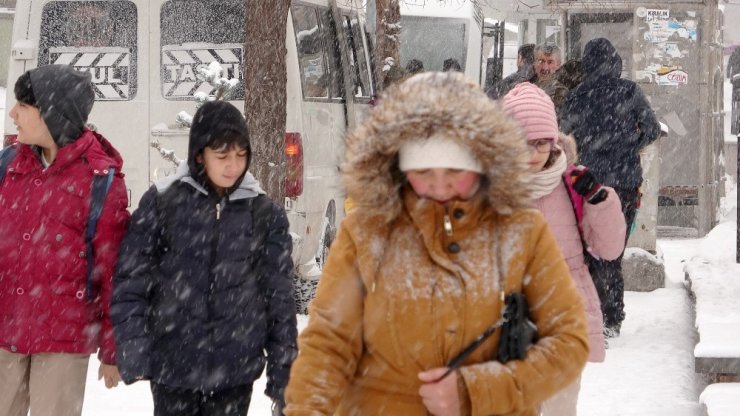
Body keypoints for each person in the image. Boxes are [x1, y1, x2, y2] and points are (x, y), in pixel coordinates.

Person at [284, 71, 589, 415]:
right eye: (424, 171)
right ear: (397, 163)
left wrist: (478, 391)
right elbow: (327, 345)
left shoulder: (522, 231)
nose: (441, 187)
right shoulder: (366, 233)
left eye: (456, 170)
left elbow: (569, 340)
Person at [111, 101, 297, 416]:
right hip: (174, 364)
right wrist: (133, 346)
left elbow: (278, 296)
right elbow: (132, 280)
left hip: (234, 369)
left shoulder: (263, 212)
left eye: (241, 156)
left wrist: (284, 368)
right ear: (200, 155)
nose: (233, 166)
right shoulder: (163, 202)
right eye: (222, 156)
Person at [0, 65, 130, 416]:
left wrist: (113, 346)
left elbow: (114, 270)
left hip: (63, 340)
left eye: (23, 107)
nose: (13, 114)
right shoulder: (8, 167)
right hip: (4, 331)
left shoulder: (100, 180)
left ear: (51, 114)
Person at [502, 83, 626, 415]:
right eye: (522, 144)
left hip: (563, 317)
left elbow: (610, 249)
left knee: (560, 408)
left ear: (554, 141)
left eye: (541, 143)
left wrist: (599, 201)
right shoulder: (491, 189)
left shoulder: (571, 185)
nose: (532, 154)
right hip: (508, 320)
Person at [559, 37, 661, 339]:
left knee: (588, 248)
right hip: (625, 181)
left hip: (587, 183)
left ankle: (591, 311)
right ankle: (612, 316)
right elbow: (652, 129)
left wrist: (587, 151)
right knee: (613, 250)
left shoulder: (577, 95)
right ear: (616, 62)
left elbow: (563, 134)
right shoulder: (629, 91)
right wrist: (630, 146)